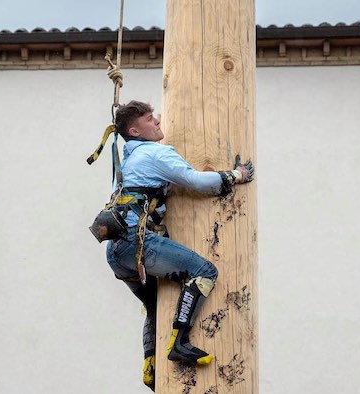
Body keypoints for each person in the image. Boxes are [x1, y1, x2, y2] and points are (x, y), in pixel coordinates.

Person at [104, 100, 254, 390]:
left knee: (153, 303)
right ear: (135, 130)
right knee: (204, 271)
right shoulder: (154, 154)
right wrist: (235, 176)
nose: (158, 121)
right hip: (138, 243)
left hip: (116, 251)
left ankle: (151, 363)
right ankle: (180, 342)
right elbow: (195, 181)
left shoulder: (129, 159)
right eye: (150, 119)